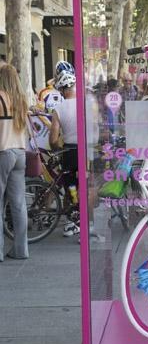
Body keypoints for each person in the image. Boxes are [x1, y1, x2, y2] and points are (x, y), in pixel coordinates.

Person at [0, 63, 29, 261]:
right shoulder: (21, 99)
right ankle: (21, 249)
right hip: (20, 153)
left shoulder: (0, 97)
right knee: (19, 204)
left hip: (3, 152)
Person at [49, 68, 80, 237]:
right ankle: (81, 221)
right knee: (85, 185)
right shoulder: (85, 104)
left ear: (62, 89)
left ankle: (73, 220)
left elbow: (53, 139)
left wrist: (56, 150)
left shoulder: (59, 109)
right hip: (84, 152)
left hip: (68, 152)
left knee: (71, 187)